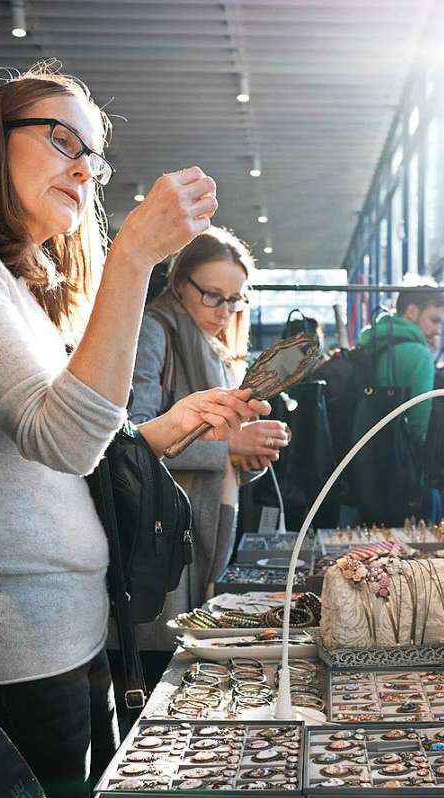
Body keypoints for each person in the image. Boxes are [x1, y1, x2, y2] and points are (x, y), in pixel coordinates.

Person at [0, 65, 269, 798]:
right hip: (19, 645)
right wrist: (133, 256)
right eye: (62, 140)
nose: (85, 166)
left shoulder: (22, 282)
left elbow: (75, 448)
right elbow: (62, 438)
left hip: (72, 626)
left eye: (94, 153)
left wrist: (173, 424)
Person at [130, 229, 289, 659]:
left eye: (235, 299)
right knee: (165, 657)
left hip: (202, 525)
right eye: (212, 296)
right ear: (180, 283)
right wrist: (230, 445)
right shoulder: (153, 332)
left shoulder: (215, 348)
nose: (224, 310)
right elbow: (133, 432)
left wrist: (250, 451)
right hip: (164, 530)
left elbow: (226, 450)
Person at [358, 285, 444, 446]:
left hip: (360, 447)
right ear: (412, 312)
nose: (438, 331)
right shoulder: (419, 355)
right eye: (434, 320)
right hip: (396, 453)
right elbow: (419, 424)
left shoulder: (372, 342)